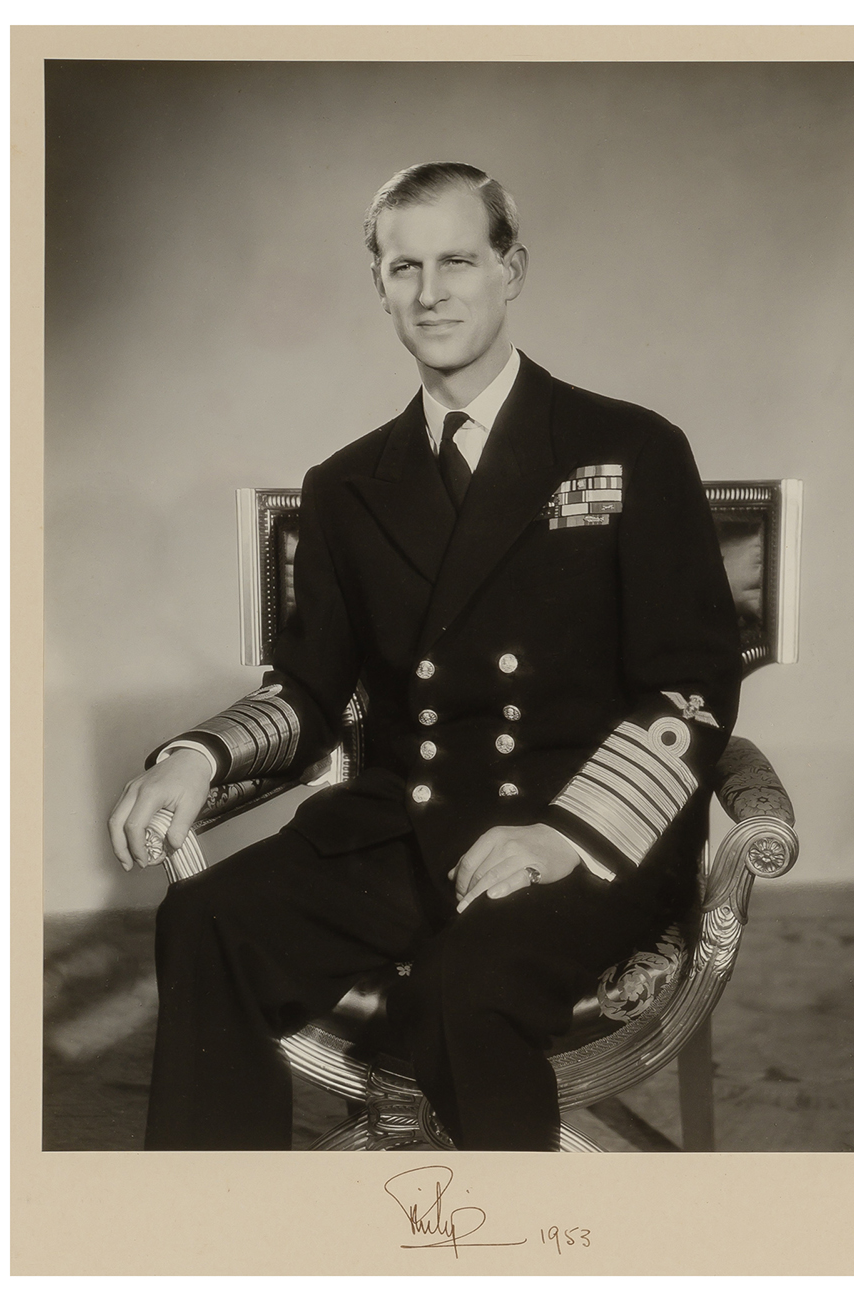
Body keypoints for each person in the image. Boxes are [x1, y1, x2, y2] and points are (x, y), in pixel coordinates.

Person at [109, 162, 742, 1151]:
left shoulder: (628, 447)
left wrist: (559, 836)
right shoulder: (345, 485)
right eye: (403, 267)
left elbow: (688, 682)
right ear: (378, 285)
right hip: (403, 833)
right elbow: (311, 689)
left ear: (509, 269)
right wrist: (196, 757)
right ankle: (208, 1237)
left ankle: (509, 1253)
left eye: (456, 259)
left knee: (465, 992)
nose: (430, 291)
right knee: (206, 921)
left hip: (579, 842)